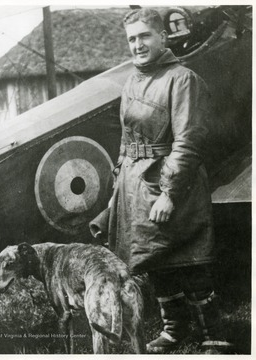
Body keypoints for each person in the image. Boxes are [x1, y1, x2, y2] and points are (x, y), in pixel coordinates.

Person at [90, 8, 232, 354]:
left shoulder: (182, 78)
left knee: (189, 256)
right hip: (135, 183)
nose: (138, 45)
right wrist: (117, 189)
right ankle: (175, 328)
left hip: (173, 180)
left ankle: (214, 333)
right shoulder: (132, 80)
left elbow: (190, 140)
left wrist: (169, 193)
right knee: (154, 260)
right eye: (132, 39)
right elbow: (126, 141)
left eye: (144, 36)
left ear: (162, 37)